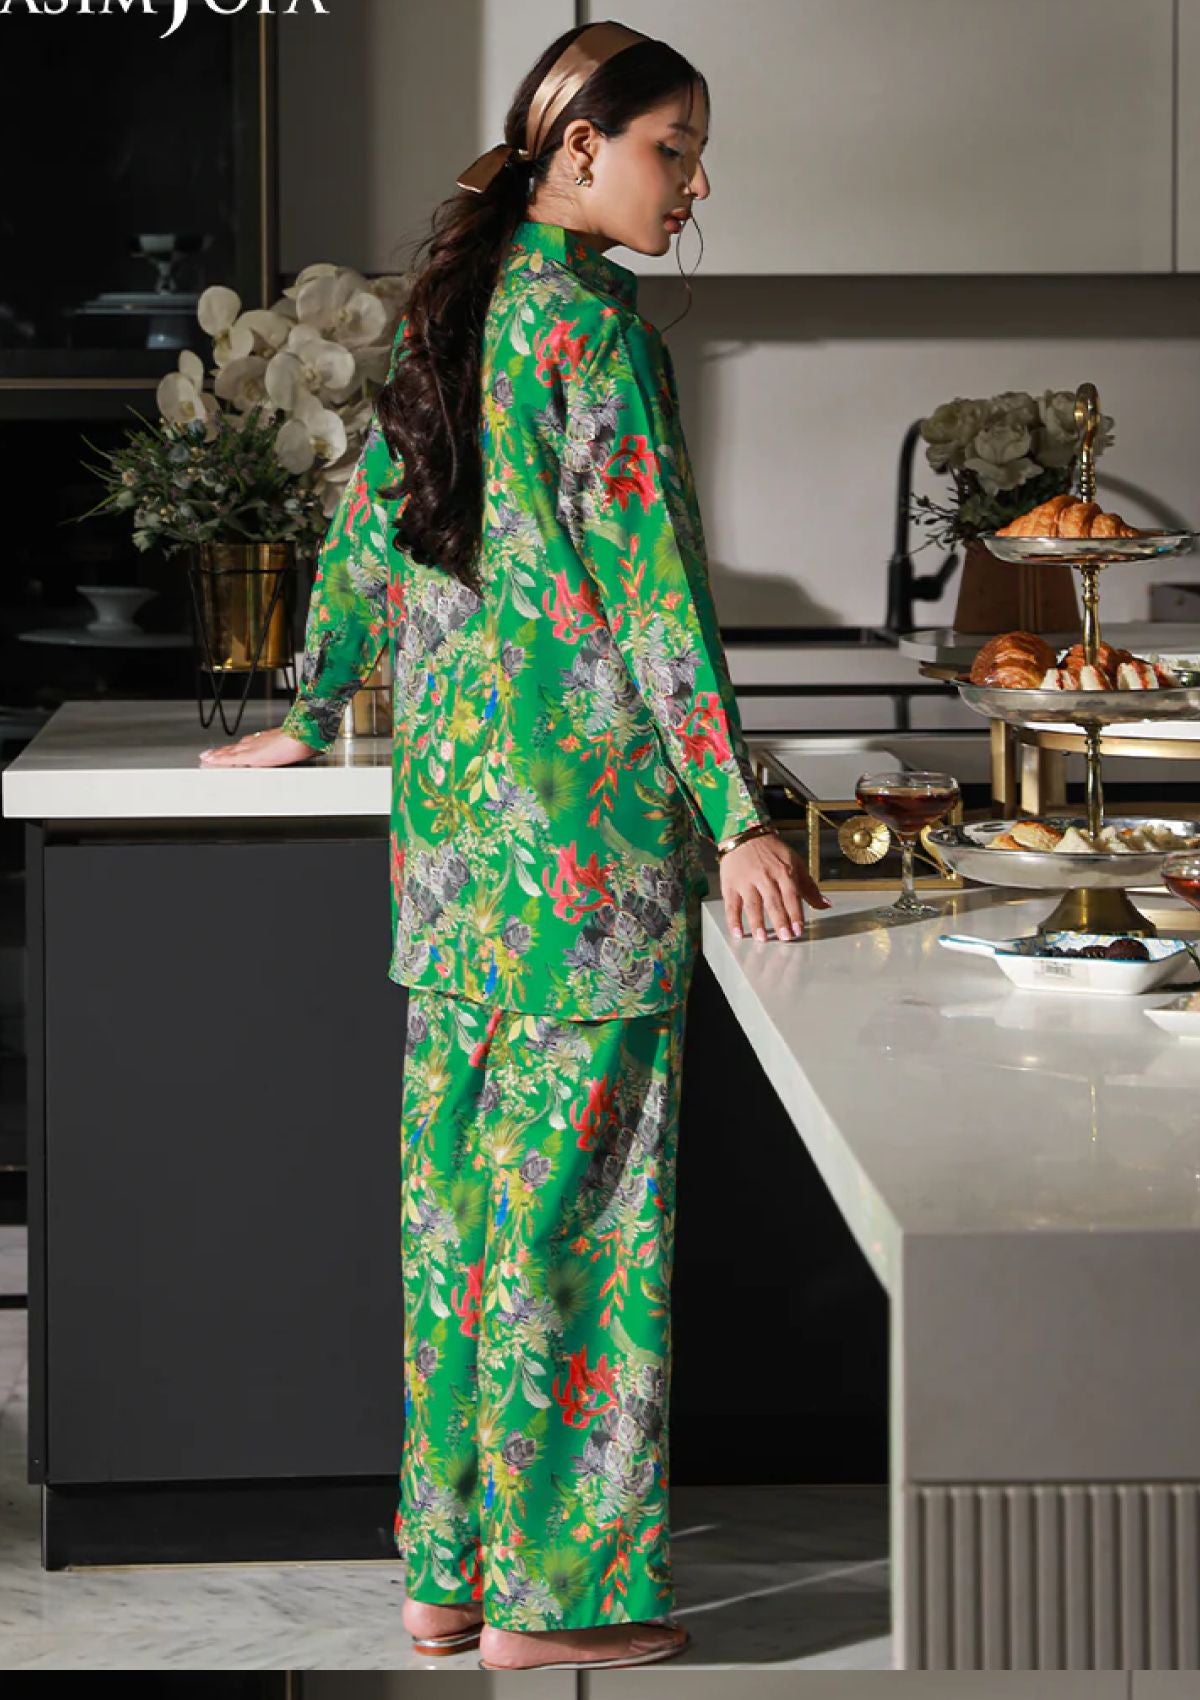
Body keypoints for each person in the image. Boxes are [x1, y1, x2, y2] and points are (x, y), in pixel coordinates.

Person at [198, 16, 829, 1673]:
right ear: (579, 149)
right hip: (586, 863)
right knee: (579, 1227)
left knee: (463, 1224)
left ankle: (447, 1574)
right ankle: (562, 1605)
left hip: (455, 856)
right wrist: (738, 815)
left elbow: (364, 524)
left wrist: (313, 702)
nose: (694, 185)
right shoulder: (591, 336)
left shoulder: (458, 310)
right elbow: (657, 596)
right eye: (673, 149)